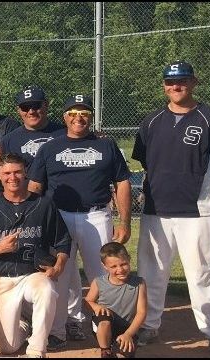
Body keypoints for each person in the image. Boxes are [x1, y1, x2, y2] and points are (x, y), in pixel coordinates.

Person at [131, 60, 210, 358]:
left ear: (193, 82)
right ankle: (149, 325)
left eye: (182, 80)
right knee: (151, 272)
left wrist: (197, 185)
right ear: (164, 85)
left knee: (203, 273)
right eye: (170, 81)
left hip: (197, 211)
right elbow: (146, 161)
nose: (176, 86)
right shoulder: (151, 120)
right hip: (155, 209)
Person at [28, 94, 132, 349]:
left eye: (84, 113)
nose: (79, 118)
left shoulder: (106, 146)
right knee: (58, 274)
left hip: (96, 215)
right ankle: (57, 331)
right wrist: (33, 221)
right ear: (64, 117)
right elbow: (35, 186)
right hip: (59, 217)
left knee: (103, 275)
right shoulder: (50, 148)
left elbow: (122, 182)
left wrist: (125, 222)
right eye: (73, 113)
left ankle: (106, 331)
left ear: (91, 117)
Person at [0, 154, 71, 358]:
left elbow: (62, 241)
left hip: (33, 273)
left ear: (26, 173)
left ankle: (37, 349)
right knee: (8, 347)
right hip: (1, 279)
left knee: (47, 289)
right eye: (7, 173)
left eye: (17, 172)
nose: (12, 177)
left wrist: (59, 265)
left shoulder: (43, 204)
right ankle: (25, 324)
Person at [84, 242, 147, 358]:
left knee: (123, 354)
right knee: (104, 319)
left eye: (123, 264)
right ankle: (105, 351)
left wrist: (128, 334)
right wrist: (97, 307)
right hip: (103, 326)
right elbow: (88, 301)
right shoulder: (98, 282)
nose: (120, 269)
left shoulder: (139, 283)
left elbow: (141, 312)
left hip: (127, 328)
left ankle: (119, 347)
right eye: (113, 267)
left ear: (129, 259)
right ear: (104, 266)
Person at [0, 86, 65, 166]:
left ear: (46, 105)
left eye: (35, 106)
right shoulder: (8, 141)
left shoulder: (65, 133)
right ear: (18, 110)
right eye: (25, 108)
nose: (31, 112)